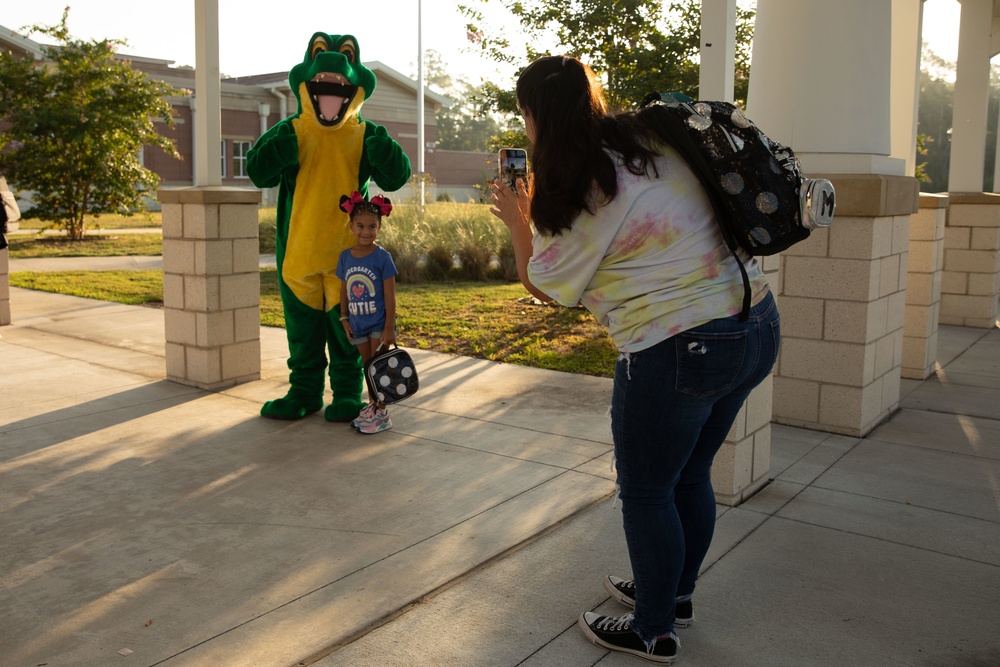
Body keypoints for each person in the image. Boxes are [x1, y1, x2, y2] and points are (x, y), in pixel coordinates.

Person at [490, 55, 781, 665]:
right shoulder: (649, 139)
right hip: (754, 323)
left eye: (525, 116)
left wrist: (519, 220)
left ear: (536, 115)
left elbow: (543, 282)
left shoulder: (583, 187)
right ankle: (672, 595)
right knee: (689, 475)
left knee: (648, 492)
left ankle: (652, 629)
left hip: (678, 347)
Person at [335, 191, 398, 435]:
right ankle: (373, 406)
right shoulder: (345, 257)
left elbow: (390, 295)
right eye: (360, 226)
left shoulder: (383, 258)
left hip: (378, 324)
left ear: (379, 227)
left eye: (372, 226)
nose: (366, 231)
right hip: (357, 324)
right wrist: (344, 318)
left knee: (378, 368)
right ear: (351, 226)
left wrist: (389, 328)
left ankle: (382, 413)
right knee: (366, 366)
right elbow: (344, 289)